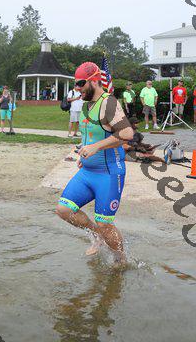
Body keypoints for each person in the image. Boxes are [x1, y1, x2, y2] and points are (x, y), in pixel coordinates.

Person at [56, 62, 134, 264]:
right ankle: (97, 235)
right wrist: (83, 154)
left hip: (109, 173)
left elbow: (127, 134)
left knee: (104, 223)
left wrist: (96, 147)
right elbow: (89, 137)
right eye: (75, 84)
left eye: (81, 83)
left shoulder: (109, 103)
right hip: (87, 171)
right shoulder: (85, 105)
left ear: (94, 81)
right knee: (64, 210)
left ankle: (121, 260)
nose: (77, 88)